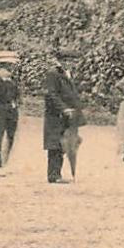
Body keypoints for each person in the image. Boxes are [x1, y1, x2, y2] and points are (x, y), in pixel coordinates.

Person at [44, 48, 85, 183]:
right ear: (60, 61)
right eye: (67, 60)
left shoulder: (68, 74)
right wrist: (63, 109)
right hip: (56, 115)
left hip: (68, 115)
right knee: (55, 143)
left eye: (72, 61)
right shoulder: (53, 74)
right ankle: (53, 175)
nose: (70, 63)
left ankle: (57, 174)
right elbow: (51, 94)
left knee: (64, 143)